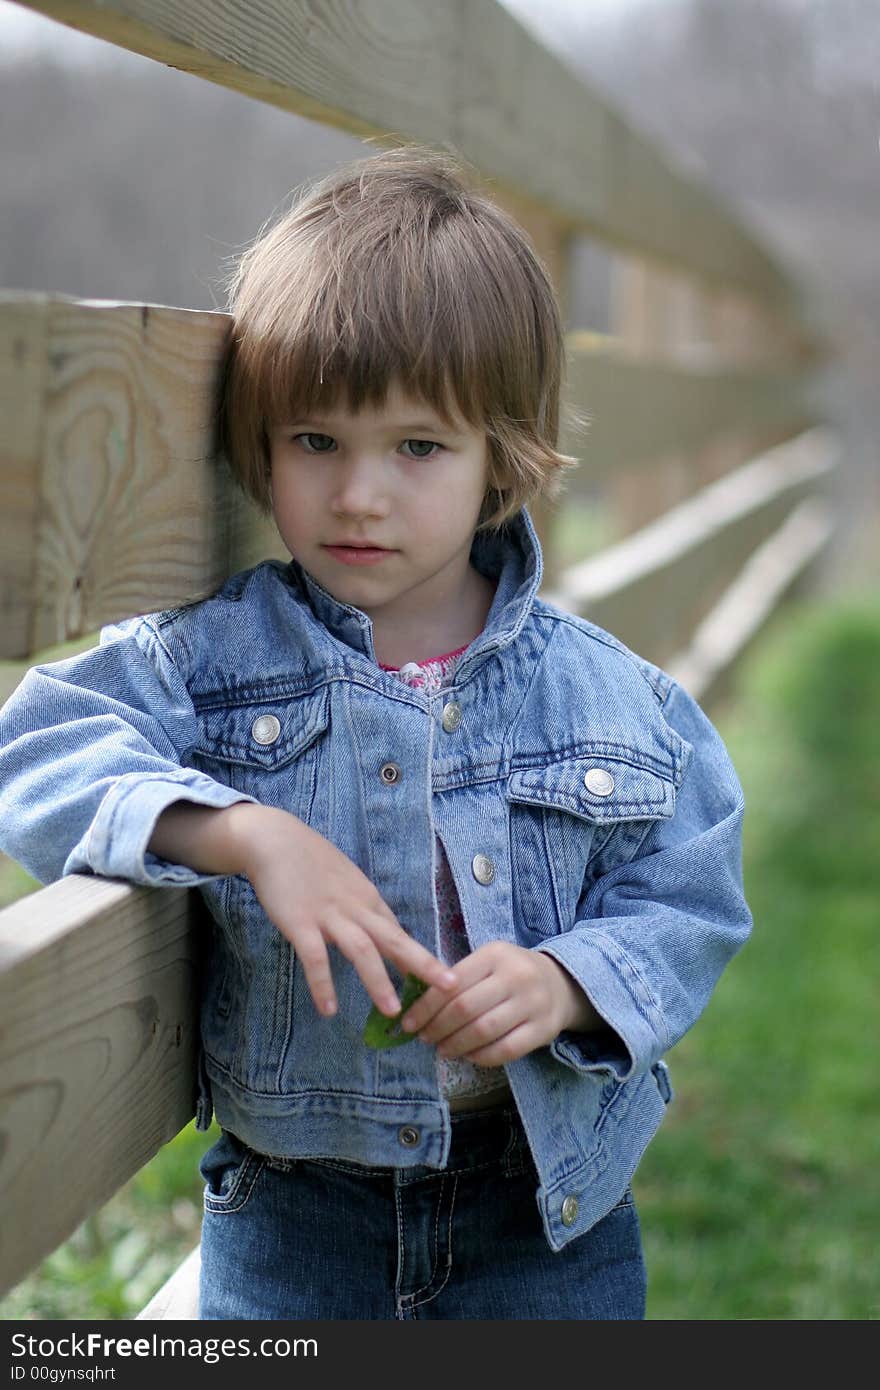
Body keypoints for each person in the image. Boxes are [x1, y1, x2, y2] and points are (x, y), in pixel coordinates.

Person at [0, 144, 751, 1321]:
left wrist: (569, 982)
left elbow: (692, 890)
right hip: (294, 1214)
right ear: (260, 441)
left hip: (541, 1213)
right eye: (316, 441)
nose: (358, 494)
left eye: (416, 446)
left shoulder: (614, 700)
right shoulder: (211, 658)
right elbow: (35, 743)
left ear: (499, 453)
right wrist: (241, 830)